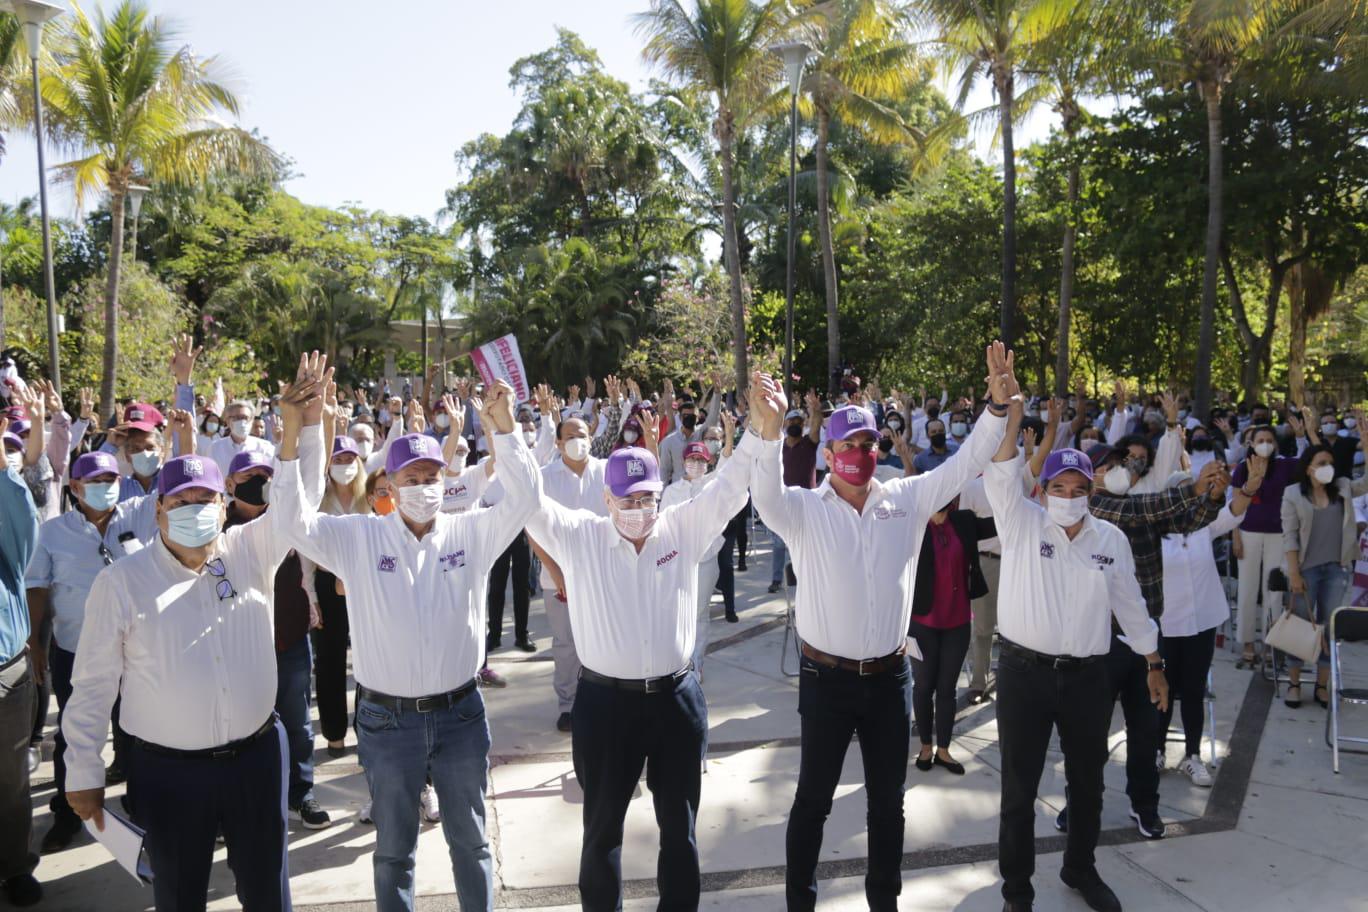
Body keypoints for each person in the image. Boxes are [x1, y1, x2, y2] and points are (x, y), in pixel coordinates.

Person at [750, 345, 1015, 912]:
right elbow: (764, 495)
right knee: (813, 801)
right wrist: (768, 434)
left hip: (891, 680)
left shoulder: (906, 500)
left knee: (888, 804)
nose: (861, 453)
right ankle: (800, 903)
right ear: (828, 453)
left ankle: (883, 902)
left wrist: (996, 410)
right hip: (825, 680)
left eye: (869, 443)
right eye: (849, 445)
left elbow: (964, 465)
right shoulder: (804, 510)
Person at [62, 359, 326, 912]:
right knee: (180, 896)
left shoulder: (250, 550)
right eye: (180, 501)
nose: (194, 510)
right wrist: (82, 769)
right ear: (158, 510)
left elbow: (300, 502)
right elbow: (92, 684)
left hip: (257, 758)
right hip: (168, 773)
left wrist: (303, 427)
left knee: (267, 891)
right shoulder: (122, 582)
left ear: (224, 506)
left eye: (204, 500)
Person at [272, 378, 540, 912]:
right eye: (411, 478)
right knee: (394, 852)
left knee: (472, 843)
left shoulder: (470, 533)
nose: (423, 486)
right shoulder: (359, 537)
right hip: (387, 722)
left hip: (460, 716)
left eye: (431, 477)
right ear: (390, 485)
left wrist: (506, 428)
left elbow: (527, 499)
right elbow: (290, 520)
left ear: (444, 480)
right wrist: (300, 432)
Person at [524, 381, 762, 912]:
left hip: (676, 701)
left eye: (646, 498)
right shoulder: (581, 536)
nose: (638, 509)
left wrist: (758, 435)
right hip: (606, 705)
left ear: (661, 494)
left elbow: (730, 489)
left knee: (680, 830)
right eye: (627, 499)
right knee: (602, 831)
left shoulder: (681, 527)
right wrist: (504, 434)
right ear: (606, 498)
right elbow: (526, 500)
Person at [986, 405, 1169, 912]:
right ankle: (1017, 892)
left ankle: (1080, 868)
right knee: (1019, 791)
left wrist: (1154, 664)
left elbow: (1131, 607)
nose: (1068, 498)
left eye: (1078, 489)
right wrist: (1007, 414)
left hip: (1089, 677)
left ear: (1092, 492)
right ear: (1043, 491)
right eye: (1059, 488)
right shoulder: (1020, 523)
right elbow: (1001, 473)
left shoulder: (1110, 540)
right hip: (1024, 675)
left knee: (1088, 785)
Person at [25, 450, 159, 853]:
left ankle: (143, 809)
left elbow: (178, 480)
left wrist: (183, 433)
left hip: (135, 650)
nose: (106, 488)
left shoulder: (139, 513)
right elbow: (37, 588)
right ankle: (68, 815)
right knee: (74, 734)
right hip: (76, 651)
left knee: (138, 733)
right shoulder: (52, 532)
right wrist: (35, 642)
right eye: (96, 482)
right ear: (75, 487)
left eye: (111, 480)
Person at [223, 447, 333, 829]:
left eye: (265, 477)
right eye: (249, 477)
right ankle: (243, 803)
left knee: (298, 724)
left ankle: (301, 794)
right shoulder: (216, 529)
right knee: (241, 729)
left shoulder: (286, 520)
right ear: (229, 484)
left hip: (290, 639)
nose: (259, 484)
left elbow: (313, 483)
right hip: (240, 648)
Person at [1158, 460, 1261, 786]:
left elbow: (1234, 511)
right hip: (1166, 623)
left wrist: (1249, 487)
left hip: (1202, 620)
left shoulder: (1205, 524)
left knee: (1193, 689)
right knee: (1162, 688)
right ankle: (1156, 750)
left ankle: (1192, 756)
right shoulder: (1152, 530)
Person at [527, 410, 610, 732]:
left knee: (604, 639)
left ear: (591, 438)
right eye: (570, 437)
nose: (577, 442)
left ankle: (603, 700)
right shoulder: (544, 478)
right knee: (566, 644)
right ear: (558, 443)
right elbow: (533, 530)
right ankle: (569, 704)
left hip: (602, 575)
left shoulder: (606, 472)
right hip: (557, 579)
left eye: (582, 436)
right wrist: (556, 572)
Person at [908, 496, 995, 775]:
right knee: (923, 685)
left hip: (957, 621)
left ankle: (943, 750)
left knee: (947, 688)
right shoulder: (912, 524)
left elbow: (1001, 523)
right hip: (922, 621)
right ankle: (925, 746)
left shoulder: (964, 520)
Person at [1280, 438, 1368, 708]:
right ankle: (1294, 684)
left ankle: (1322, 685)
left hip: (1335, 570)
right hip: (1305, 570)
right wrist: (1294, 574)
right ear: (1308, 467)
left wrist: (1366, 447)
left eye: (1330, 463)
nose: (1327, 467)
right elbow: (1289, 536)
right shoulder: (1293, 493)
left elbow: (1365, 483)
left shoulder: (1342, 486)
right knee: (1299, 626)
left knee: (1329, 627)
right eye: (1321, 463)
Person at [0, 414, 40, 906]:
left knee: (9, 784)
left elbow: (22, 519)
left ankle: (14, 867)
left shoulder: (7, 518)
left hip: (6, 676)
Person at [1231, 419, 1307, 668]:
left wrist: (1301, 437)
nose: (1265, 444)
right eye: (1260, 440)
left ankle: (1269, 644)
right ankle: (1247, 645)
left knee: (1274, 591)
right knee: (1247, 589)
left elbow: (1307, 461)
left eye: (1269, 440)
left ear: (1276, 444)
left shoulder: (1284, 466)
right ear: (1252, 444)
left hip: (1279, 534)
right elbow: (1234, 505)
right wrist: (1235, 537)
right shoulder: (1242, 467)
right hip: (1248, 533)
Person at [313, 436, 371, 757]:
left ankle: (367, 729)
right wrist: (311, 595)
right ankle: (334, 734)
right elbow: (307, 553)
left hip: (363, 583)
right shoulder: (318, 498)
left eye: (350, 459)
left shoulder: (369, 497)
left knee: (367, 658)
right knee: (329, 661)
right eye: (338, 459)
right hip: (326, 585)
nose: (345, 466)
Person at [661, 429, 736, 675]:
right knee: (677, 612)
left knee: (700, 613)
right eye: (692, 459)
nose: (696, 464)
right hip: (678, 561)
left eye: (701, 460)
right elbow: (664, 526)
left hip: (706, 558)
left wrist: (729, 437)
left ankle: (696, 663)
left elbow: (728, 468)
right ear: (684, 462)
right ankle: (678, 659)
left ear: (708, 463)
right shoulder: (672, 491)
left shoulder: (712, 486)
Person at [769, 393, 822, 594]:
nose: (795, 425)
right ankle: (776, 580)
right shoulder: (779, 446)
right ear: (785, 424)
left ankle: (805, 578)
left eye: (799, 422)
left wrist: (815, 410)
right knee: (778, 544)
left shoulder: (809, 443)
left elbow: (816, 426)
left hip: (806, 502)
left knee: (805, 544)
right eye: (791, 421)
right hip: (782, 500)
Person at [206, 398, 276, 475]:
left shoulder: (264, 447)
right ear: (228, 421)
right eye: (237, 418)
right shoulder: (215, 448)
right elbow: (209, 475)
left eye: (245, 418)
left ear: (251, 421)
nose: (242, 422)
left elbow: (275, 472)